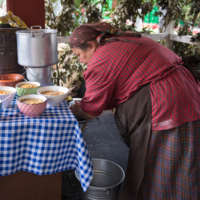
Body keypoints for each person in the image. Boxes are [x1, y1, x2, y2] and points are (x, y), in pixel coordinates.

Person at [69, 22, 200, 200]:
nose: (81, 60)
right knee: (185, 154)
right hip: (187, 88)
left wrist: (78, 109)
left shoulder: (102, 58)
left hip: (166, 101)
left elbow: (92, 110)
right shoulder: (121, 40)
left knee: (157, 158)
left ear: (91, 46)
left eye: (79, 55)